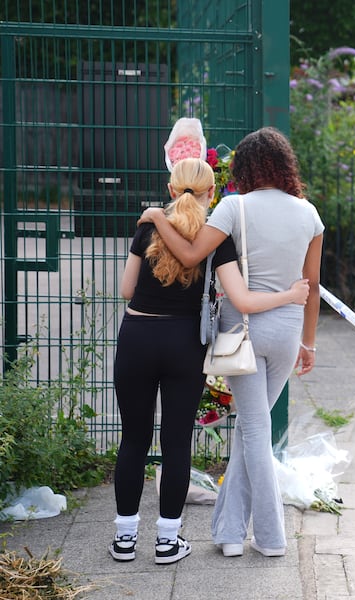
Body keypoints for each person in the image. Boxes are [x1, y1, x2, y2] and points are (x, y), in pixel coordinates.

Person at [111, 157, 309, 565]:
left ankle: (124, 539)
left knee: (133, 438)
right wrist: (290, 297)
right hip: (185, 342)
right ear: (211, 194)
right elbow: (241, 298)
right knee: (177, 440)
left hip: (137, 337)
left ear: (170, 190)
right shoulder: (217, 236)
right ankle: (168, 540)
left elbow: (127, 289)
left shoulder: (149, 227)